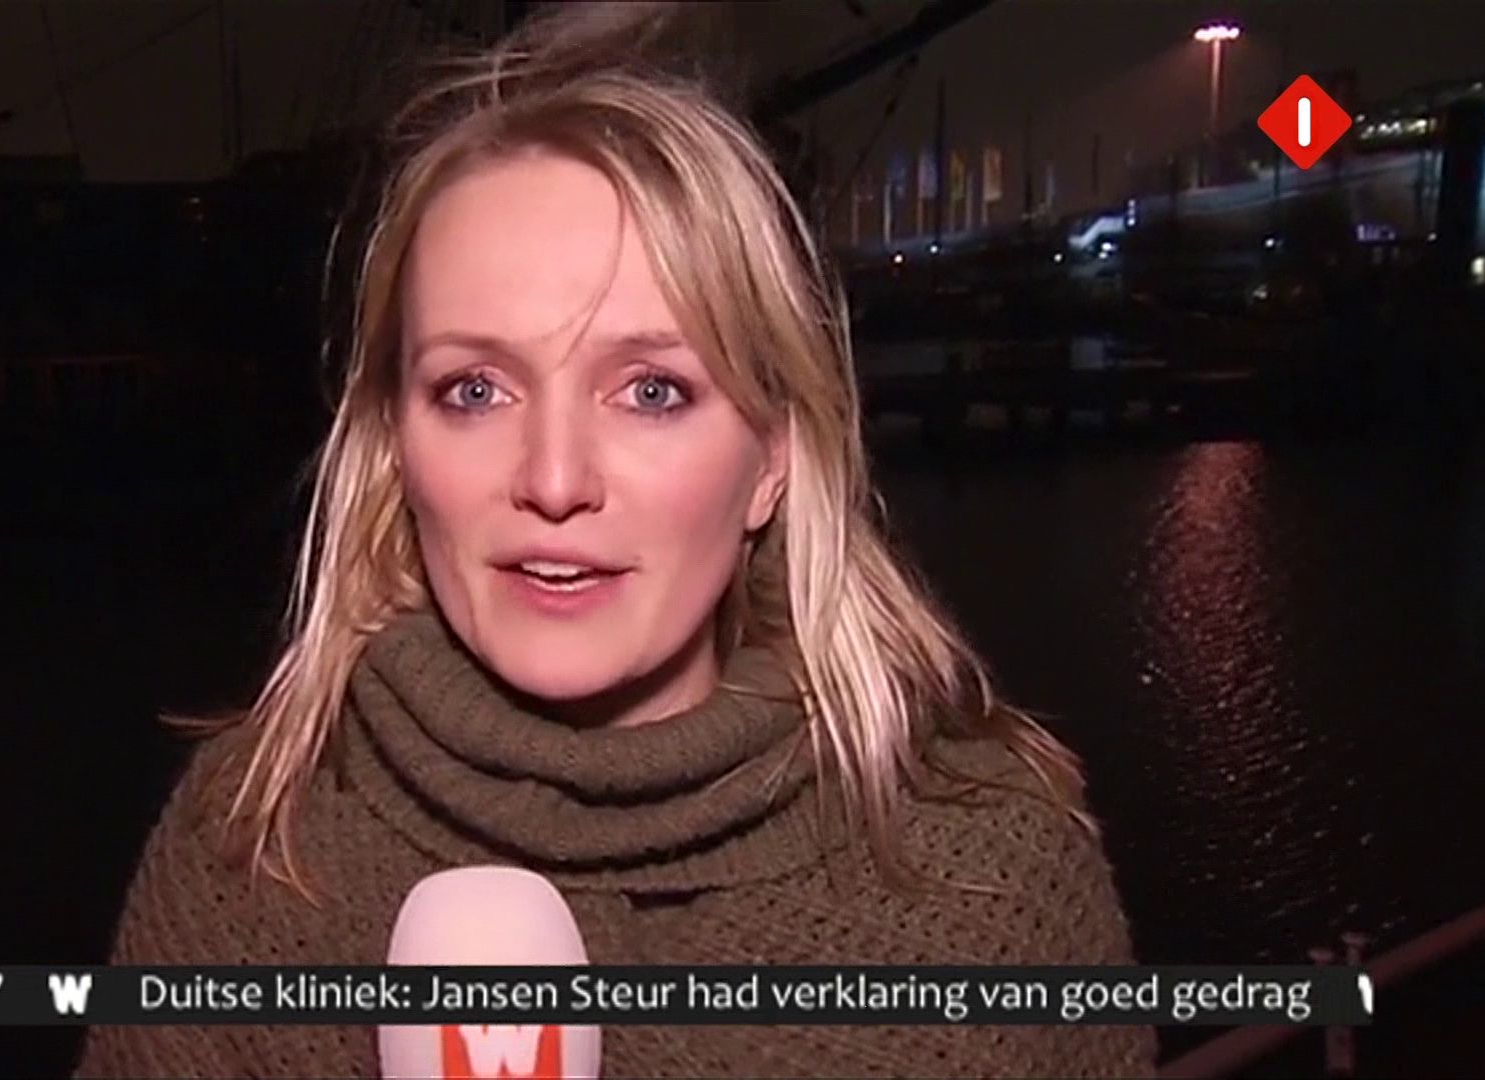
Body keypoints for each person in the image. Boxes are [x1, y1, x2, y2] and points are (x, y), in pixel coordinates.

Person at [76, 6, 1156, 1077]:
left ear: (772, 458)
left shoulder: (994, 881)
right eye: (475, 389)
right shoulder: (244, 840)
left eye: (650, 391)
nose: (554, 481)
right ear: (394, 441)